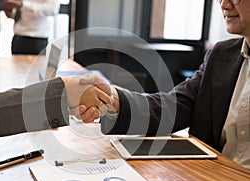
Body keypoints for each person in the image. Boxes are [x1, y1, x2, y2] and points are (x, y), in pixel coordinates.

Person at [78, 0, 250, 169]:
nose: (224, 5)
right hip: (219, 180)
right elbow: (174, 105)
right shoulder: (221, 56)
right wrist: (114, 99)